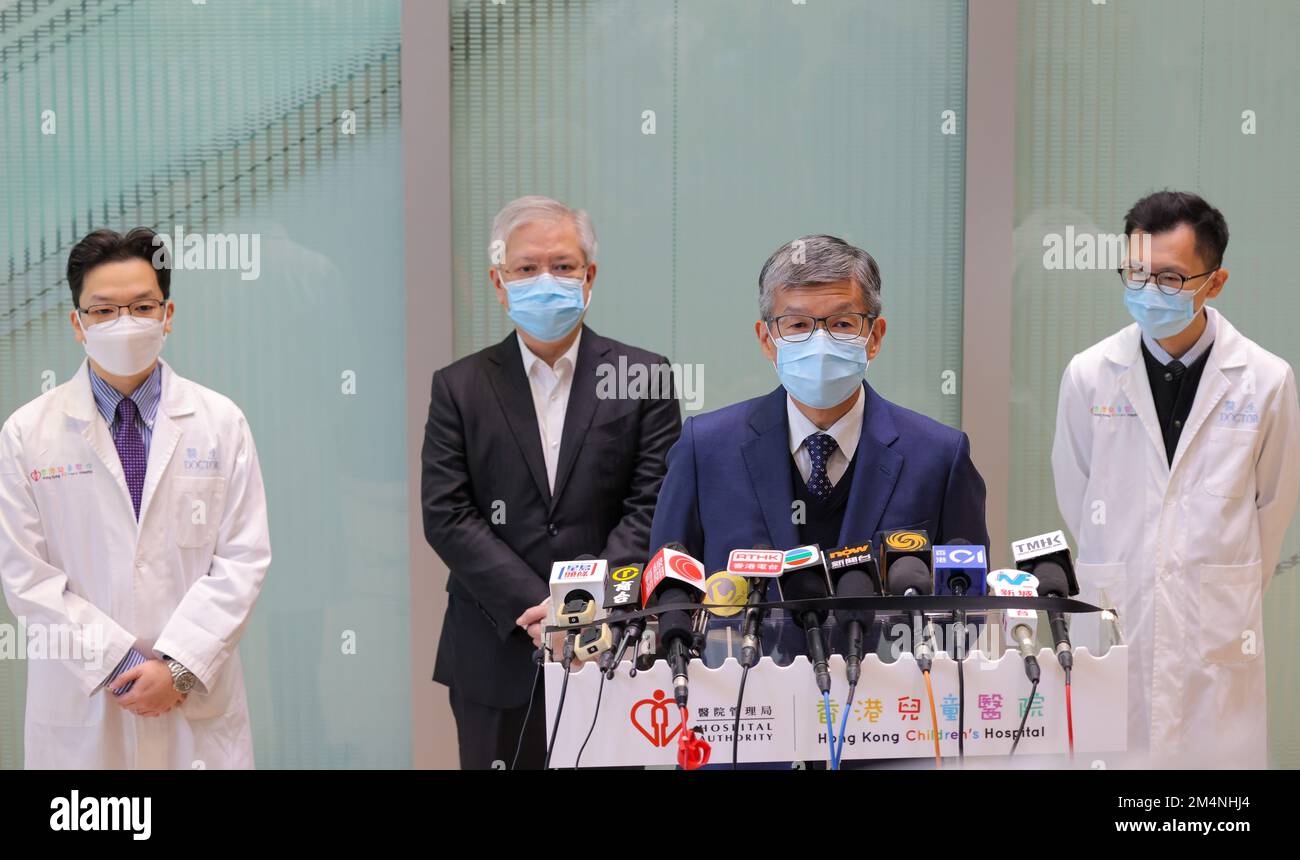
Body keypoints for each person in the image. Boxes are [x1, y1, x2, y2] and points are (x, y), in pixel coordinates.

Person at [421, 196, 682, 769]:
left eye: (563, 266)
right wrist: (540, 607)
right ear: (499, 282)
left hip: (612, 644)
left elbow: (653, 506)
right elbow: (447, 515)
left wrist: (582, 605)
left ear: (589, 278)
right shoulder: (458, 388)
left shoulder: (642, 377)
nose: (546, 280)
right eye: (526, 268)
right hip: (495, 650)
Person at [0, 227, 272, 769]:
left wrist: (176, 668)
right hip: (85, 707)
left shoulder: (221, 424)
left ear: (167, 315)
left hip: (193, 702)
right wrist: (122, 664)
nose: (124, 322)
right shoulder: (28, 434)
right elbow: (27, 578)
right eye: (102, 311)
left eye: (142, 305)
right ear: (77, 324)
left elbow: (243, 560)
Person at [1052, 191, 1300, 768]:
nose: (1147, 291)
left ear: (1215, 282)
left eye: (1169, 278)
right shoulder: (1090, 375)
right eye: (1136, 273)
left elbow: (1272, 509)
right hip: (1116, 615)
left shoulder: (1265, 380)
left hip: (1216, 635)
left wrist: (1216, 590)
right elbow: (1077, 494)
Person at [651, 234, 988, 581]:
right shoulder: (705, 450)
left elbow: (966, 606)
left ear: (874, 337)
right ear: (767, 340)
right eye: (798, 325)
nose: (820, 342)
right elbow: (669, 597)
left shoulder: (939, 457)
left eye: (842, 323)